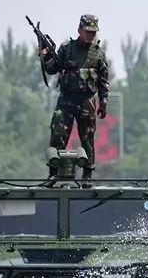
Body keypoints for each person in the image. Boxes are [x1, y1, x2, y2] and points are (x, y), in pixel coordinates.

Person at [41, 14, 110, 181]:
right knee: (58, 133)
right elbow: (52, 69)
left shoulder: (98, 54)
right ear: (79, 30)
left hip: (87, 101)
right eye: (88, 31)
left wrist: (103, 102)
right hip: (67, 99)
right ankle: (53, 173)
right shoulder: (66, 48)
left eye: (94, 32)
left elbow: (103, 81)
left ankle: (87, 174)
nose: (91, 35)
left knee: (87, 138)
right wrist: (45, 54)